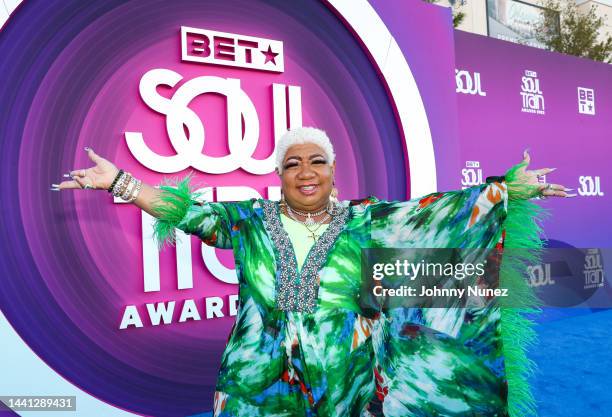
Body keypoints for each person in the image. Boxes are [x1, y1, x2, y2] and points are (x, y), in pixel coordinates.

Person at [52, 127, 571, 417]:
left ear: (333, 170)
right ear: (279, 175)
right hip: (256, 378)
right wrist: (118, 181)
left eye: (316, 161)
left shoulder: (365, 219)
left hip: (343, 380)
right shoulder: (250, 221)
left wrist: (509, 191)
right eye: (293, 163)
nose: (306, 172)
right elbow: (185, 212)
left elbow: (437, 212)